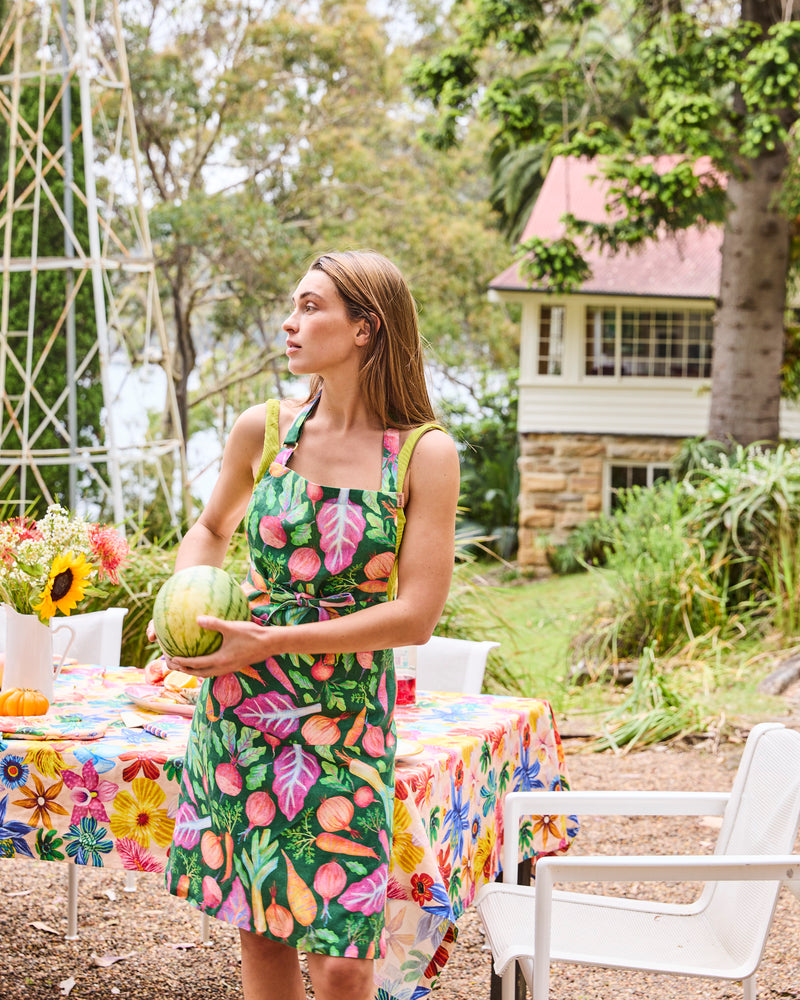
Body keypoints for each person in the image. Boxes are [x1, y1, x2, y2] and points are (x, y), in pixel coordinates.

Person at [155, 250, 460, 1000]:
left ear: (366, 328)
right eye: (292, 308)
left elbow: (415, 617)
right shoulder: (263, 430)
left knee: (345, 959)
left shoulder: (425, 453)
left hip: (346, 721)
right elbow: (208, 526)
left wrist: (276, 640)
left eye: (311, 307)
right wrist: (190, 598)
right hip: (241, 710)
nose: (290, 324)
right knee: (261, 921)